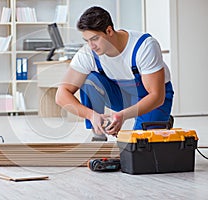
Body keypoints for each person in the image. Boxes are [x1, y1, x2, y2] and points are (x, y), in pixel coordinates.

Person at [55, 6, 174, 141]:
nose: (91, 46)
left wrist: (122, 115)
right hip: (121, 95)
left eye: (95, 39)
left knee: (140, 147)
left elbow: (157, 96)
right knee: (89, 80)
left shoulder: (144, 46)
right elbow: (61, 95)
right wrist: (91, 115)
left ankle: (162, 121)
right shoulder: (87, 53)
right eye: (87, 40)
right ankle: (98, 133)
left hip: (153, 98)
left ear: (109, 30)